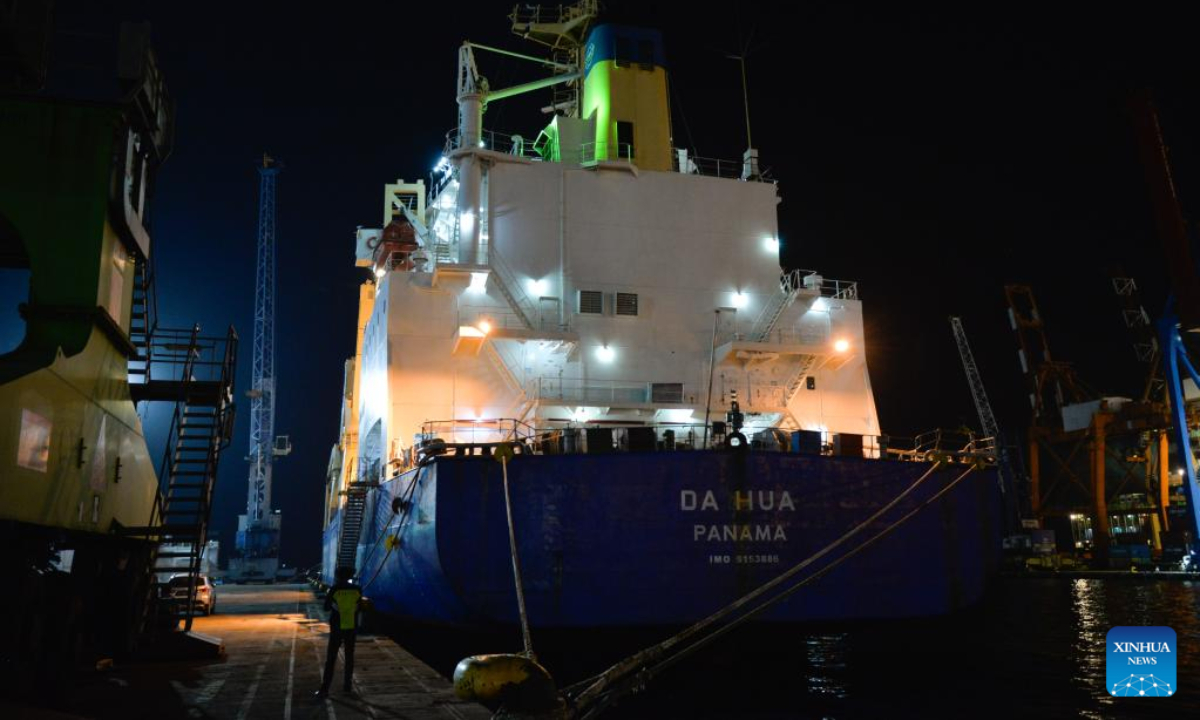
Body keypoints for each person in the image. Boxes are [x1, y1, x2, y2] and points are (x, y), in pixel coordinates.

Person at [316, 566, 363, 697]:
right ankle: (347, 687)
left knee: (331, 658)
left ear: (337, 575)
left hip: (337, 628)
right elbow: (358, 608)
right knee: (349, 657)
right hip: (351, 628)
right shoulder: (357, 589)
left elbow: (326, 608)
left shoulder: (334, 589)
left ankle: (325, 688)